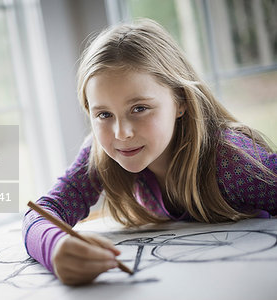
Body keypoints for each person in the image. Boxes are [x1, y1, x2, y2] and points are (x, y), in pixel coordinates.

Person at [22, 19, 276, 286]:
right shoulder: (100, 155)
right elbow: (43, 212)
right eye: (104, 114)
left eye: (139, 108)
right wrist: (55, 248)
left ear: (180, 101)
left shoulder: (228, 160)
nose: (121, 133)